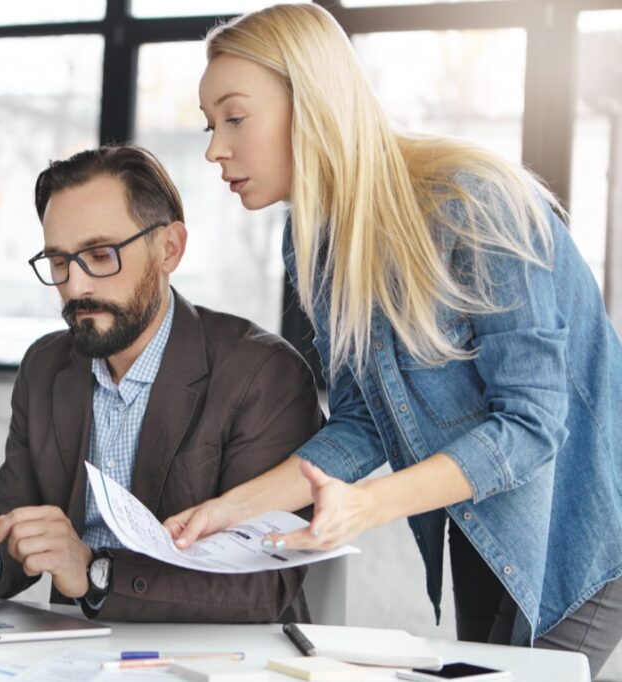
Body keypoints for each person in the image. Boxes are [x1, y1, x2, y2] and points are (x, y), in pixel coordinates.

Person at [164, 3, 622, 676]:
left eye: (235, 117)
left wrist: (366, 506)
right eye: (210, 125)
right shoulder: (314, 245)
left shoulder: (473, 203)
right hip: (487, 523)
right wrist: (225, 512)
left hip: (587, 528)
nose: (214, 149)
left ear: (312, 102)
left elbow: (531, 424)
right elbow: (362, 423)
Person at [0, 144, 322, 623]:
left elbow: (260, 588)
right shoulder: (45, 366)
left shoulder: (262, 374)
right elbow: (18, 533)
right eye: (59, 262)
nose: (76, 287)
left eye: (100, 255)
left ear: (170, 248)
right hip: (81, 657)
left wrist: (96, 572)